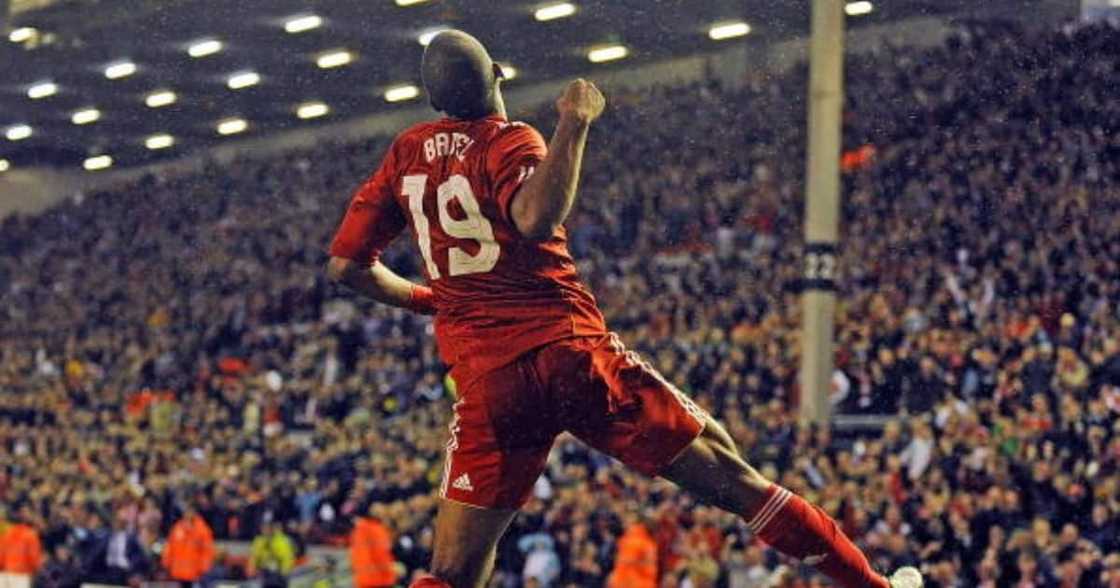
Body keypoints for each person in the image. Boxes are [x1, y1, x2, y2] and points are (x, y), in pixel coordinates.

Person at [326, 29, 923, 588]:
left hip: (489, 382)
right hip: (570, 355)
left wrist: (430, 298)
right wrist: (574, 125)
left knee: (452, 571)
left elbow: (347, 267)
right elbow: (534, 218)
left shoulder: (406, 154)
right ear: (498, 78)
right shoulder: (511, 140)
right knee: (736, 479)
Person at [161, 504, 215, 586]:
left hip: (195, 571)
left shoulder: (203, 530)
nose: (188, 514)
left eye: (191, 511)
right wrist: (166, 562)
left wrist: (204, 568)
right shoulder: (177, 528)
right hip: (179, 570)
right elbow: (169, 547)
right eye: (187, 511)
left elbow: (207, 550)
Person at [350, 503, 398, 588]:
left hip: (363, 580)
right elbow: (381, 555)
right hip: (379, 580)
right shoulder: (376, 529)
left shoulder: (360, 528)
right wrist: (392, 572)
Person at [248, 520, 296, 587]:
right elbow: (254, 558)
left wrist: (283, 574)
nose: (265, 529)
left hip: (278, 574)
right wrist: (252, 569)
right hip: (264, 573)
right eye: (263, 527)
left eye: (267, 527)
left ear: (272, 528)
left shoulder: (282, 541)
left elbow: (287, 559)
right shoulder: (259, 540)